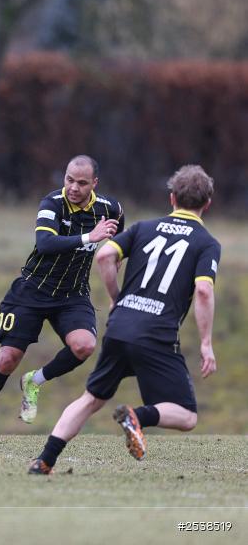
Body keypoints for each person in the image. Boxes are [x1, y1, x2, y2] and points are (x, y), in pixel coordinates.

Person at [29, 165, 219, 474]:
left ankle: (45, 460)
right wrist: (207, 344)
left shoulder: (144, 228)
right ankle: (137, 417)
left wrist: (118, 298)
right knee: (187, 416)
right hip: (156, 333)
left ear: (172, 199)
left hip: (120, 326)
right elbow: (203, 292)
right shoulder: (206, 242)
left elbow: (105, 256)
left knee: (91, 398)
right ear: (207, 204)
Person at [0, 155, 124, 438]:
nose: (73, 187)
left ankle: (34, 381)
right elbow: (45, 243)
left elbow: (119, 239)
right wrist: (89, 238)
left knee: (84, 346)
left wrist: (114, 261)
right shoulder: (52, 204)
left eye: (82, 183)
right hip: (32, 291)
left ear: (94, 183)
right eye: (69, 179)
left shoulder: (110, 208)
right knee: (7, 358)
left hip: (73, 294)